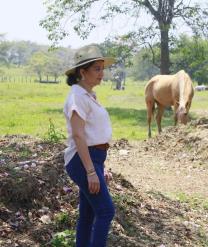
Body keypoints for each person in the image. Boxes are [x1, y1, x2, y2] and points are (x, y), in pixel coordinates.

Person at [63, 44, 116, 247]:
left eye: (103, 68)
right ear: (82, 72)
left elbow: (92, 134)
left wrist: (100, 167)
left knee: (88, 213)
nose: (102, 73)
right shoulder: (77, 96)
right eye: (97, 69)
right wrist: (92, 171)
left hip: (93, 158)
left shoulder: (88, 95)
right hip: (83, 159)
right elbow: (78, 135)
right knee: (106, 211)